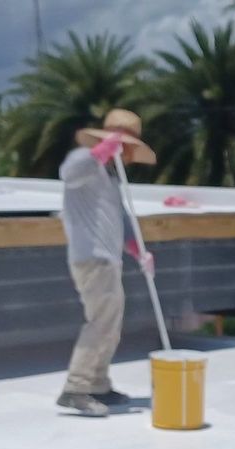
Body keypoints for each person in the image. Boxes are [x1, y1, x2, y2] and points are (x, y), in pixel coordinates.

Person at [55, 109, 156, 417]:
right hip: (92, 258)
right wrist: (101, 150)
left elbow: (122, 222)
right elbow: (67, 174)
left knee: (110, 326)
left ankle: (97, 385)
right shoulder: (84, 161)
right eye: (124, 146)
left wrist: (139, 251)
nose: (125, 154)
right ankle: (76, 387)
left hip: (108, 260)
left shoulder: (112, 179)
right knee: (100, 323)